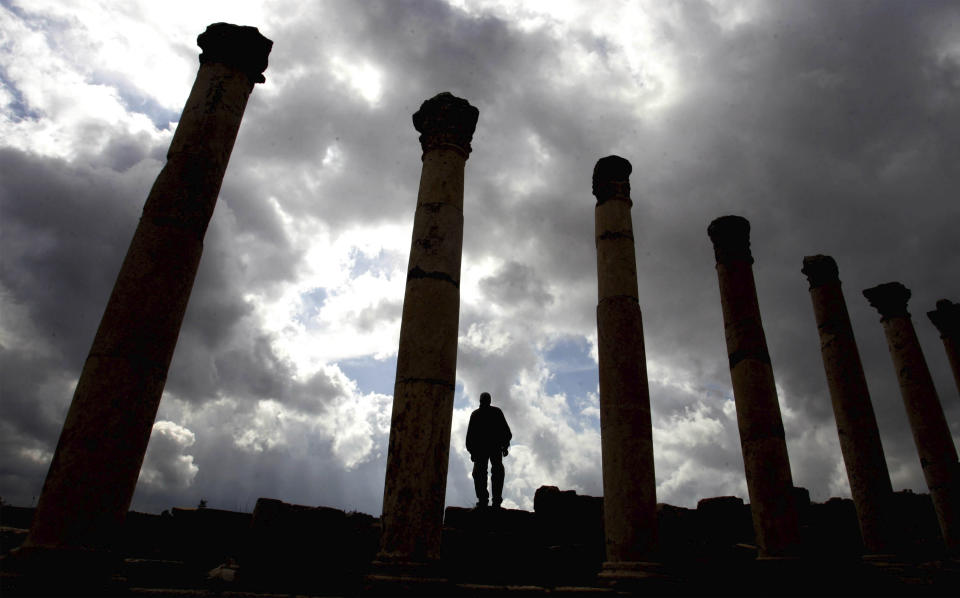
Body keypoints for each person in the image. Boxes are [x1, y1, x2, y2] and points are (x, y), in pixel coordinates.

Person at [466, 392, 512, 508]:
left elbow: (506, 432)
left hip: (492, 448)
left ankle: (493, 500)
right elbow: (470, 437)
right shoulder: (478, 414)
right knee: (481, 473)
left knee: (494, 471)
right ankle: (484, 500)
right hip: (484, 449)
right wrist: (472, 451)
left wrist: (505, 446)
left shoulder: (485, 413)